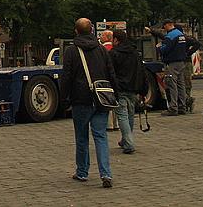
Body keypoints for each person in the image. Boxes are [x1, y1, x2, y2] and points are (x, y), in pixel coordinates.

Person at [59, 18, 116, 188]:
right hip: (101, 99)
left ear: (76, 31)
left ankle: (82, 172)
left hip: (81, 99)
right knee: (100, 136)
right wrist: (115, 94)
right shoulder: (101, 49)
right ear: (92, 30)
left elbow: (67, 76)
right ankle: (106, 173)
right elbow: (110, 72)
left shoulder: (71, 51)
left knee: (82, 137)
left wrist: (64, 99)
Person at [110, 29, 146, 154]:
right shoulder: (135, 52)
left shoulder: (114, 53)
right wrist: (143, 89)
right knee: (130, 114)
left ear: (116, 39)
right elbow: (141, 71)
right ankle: (125, 139)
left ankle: (129, 142)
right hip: (133, 87)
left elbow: (111, 72)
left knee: (122, 116)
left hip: (120, 88)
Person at [146, 20, 187, 115]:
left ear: (168, 25)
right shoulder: (180, 34)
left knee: (171, 84)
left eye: (164, 26)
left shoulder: (171, 36)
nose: (164, 29)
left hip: (172, 62)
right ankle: (182, 107)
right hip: (181, 62)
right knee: (181, 85)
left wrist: (159, 47)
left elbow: (165, 49)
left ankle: (173, 108)